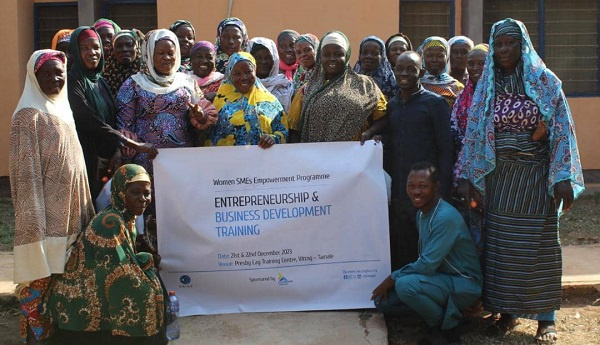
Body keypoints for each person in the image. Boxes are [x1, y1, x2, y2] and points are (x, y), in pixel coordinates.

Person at [458, 18, 585, 343]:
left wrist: (562, 177)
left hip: (535, 180)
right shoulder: (488, 84)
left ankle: (546, 320)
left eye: (509, 43)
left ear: (522, 46)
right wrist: (469, 177)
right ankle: (506, 312)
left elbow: (561, 131)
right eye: (498, 44)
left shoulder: (545, 82)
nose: (503, 50)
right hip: (499, 182)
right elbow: (474, 134)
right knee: (501, 249)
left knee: (539, 247)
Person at [9, 49, 95, 345]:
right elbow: (25, 175)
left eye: (60, 73)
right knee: (38, 287)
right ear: (34, 78)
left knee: (63, 287)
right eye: (47, 74)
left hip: (72, 216)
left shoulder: (62, 109)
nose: (55, 79)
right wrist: (34, 225)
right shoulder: (26, 118)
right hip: (46, 221)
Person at [47, 164, 167, 345]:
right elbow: (120, 271)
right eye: (135, 192)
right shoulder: (110, 221)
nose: (143, 199)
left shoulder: (124, 216)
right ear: (120, 192)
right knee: (147, 292)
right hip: (80, 296)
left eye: (147, 193)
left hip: (99, 282)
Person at [372, 162, 482, 345]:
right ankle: (444, 315)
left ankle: (443, 326)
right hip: (441, 278)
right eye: (411, 186)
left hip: (463, 283)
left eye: (422, 186)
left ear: (436, 187)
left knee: (405, 285)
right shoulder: (422, 214)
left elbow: (427, 264)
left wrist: (392, 278)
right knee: (383, 303)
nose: (415, 192)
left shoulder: (445, 217)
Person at [364, 51, 453, 271]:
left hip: (428, 190)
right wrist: (378, 138)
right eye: (400, 69)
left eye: (411, 69)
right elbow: (394, 139)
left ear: (420, 72)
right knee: (401, 243)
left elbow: (446, 148)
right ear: (394, 71)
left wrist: (443, 188)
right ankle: (402, 294)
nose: (404, 73)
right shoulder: (393, 105)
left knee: (426, 245)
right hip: (401, 188)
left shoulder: (435, 103)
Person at [68, 27, 157, 203]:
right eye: (84, 48)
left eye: (95, 47)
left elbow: (112, 119)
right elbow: (90, 122)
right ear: (75, 52)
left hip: (107, 160)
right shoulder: (73, 81)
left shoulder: (100, 80)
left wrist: (116, 151)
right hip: (86, 158)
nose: (92, 53)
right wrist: (134, 145)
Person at [116, 29, 215, 179]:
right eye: (161, 53)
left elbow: (205, 115)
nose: (167, 57)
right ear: (150, 54)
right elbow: (124, 126)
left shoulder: (187, 82)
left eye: (171, 53)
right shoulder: (133, 84)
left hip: (183, 159)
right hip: (148, 160)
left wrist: (200, 116)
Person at [288, 31, 387, 143]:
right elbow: (294, 129)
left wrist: (370, 132)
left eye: (338, 54)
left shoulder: (365, 85)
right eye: (326, 55)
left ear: (347, 55)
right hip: (316, 157)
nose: (332, 58)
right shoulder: (307, 90)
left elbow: (383, 117)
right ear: (320, 57)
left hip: (355, 156)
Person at [449, 43, 489, 254]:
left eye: (480, 63)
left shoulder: (498, 95)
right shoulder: (462, 97)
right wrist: (463, 175)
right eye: (470, 63)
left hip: (493, 175)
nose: (474, 68)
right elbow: (455, 136)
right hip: (466, 175)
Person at [206, 52, 287, 147]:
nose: (243, 77)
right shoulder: (219, 104)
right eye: (237, 73)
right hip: (227, 160)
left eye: (248, 72)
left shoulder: (271, 102)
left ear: (255, 72)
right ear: (229, 75)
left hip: (263, 159)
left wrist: (273, 138)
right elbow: (207, 136)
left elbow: (283, 131)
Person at [248, 37, 294, 113]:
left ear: (274, 61)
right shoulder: (244, 86)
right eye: (258, 58)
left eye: (268, 58)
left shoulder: (285, 87)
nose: (263, 62)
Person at [417, 36, 464, 109]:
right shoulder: (416, 85)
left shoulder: (457, 88)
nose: (434, 60)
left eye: (440, 56)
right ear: (422, 57)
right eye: (429, 56)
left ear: (447, 57)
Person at [354, 35, 399, 100]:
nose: (368, 56)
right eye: (364, 52)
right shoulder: (351, 80)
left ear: (382, 56)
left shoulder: (391, 84)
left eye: (375, 53)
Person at [104, 29, 144, 96]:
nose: (124, 49)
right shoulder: (106, 78)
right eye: (119, 46)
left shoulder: (147, 76)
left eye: (129, 45)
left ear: (137, 48)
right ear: (113, 50)